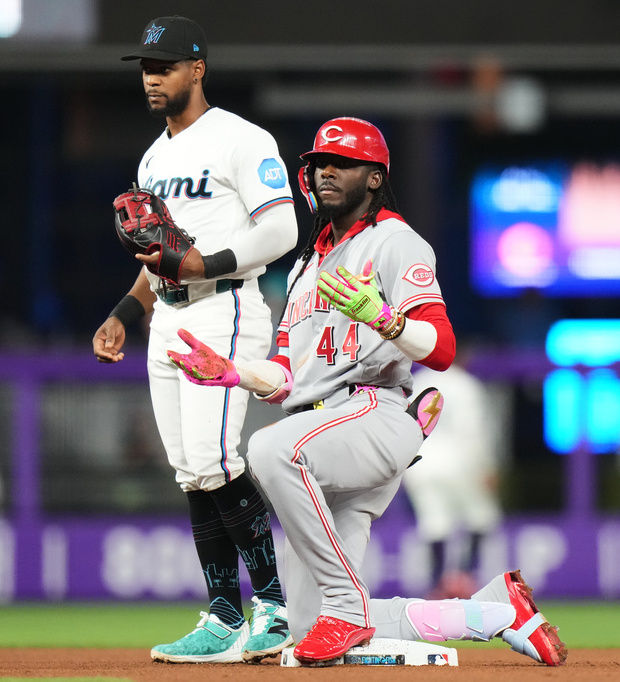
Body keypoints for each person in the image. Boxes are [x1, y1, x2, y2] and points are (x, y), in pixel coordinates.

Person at [168, 117, 567, 666]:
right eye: (318, 164)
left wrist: (385, 319)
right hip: (323, 433)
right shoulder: (308, 265)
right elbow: (285, 374)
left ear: (374, 177)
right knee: (306, 625)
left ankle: (346, 603)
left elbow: (443, 349)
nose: (325, 170)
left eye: (341, 162)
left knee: (267, 449)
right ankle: (494, 612)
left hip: (369, 410)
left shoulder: (394, 241)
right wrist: (235, 372)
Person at [90, 16, 299, 664]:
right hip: (170, 317)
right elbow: (159, 255)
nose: (152, 78)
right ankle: (223, 613)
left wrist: (205, 265)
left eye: (165, 66)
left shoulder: (241, 139)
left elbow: (282, 228)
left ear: (198, 68)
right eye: (147, 68)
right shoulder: (153, 157)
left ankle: (273, 608)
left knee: (217, 462)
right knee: (191, 474)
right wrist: (127, 309)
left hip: (226, 306)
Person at [402, 357, 503, 600]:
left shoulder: (417, 382)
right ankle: (464, 576)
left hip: (420, 463)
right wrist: (486, 466)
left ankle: (438, 583)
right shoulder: (466, 385)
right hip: (460, 462)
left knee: (434, 523)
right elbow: (472, 431)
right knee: (483, 517)